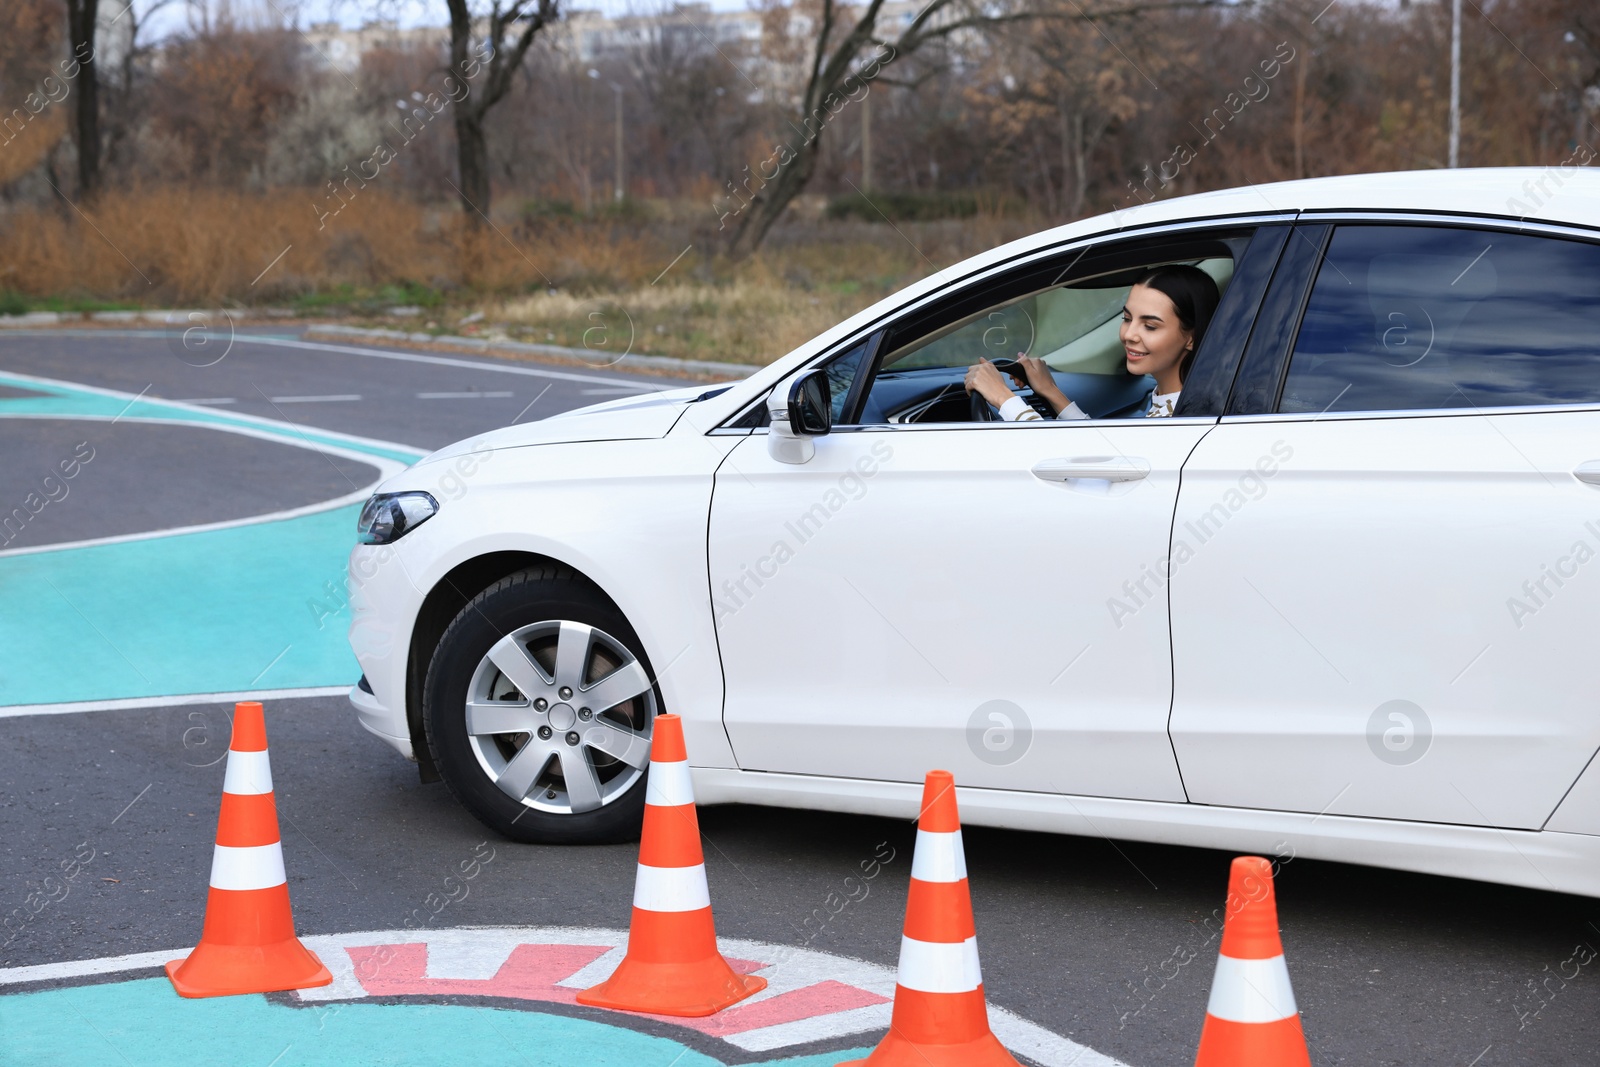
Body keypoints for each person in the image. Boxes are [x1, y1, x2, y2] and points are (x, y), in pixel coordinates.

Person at [963, 264, 1221, 421]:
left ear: (1192, 337)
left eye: (1150, 326)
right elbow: (1103, 458)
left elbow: (1067, 466)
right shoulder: (1172, 399)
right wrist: (1051, 392)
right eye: (1127, 318)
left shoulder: (1186, 416)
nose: (1129, 334)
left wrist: (1003, 398)